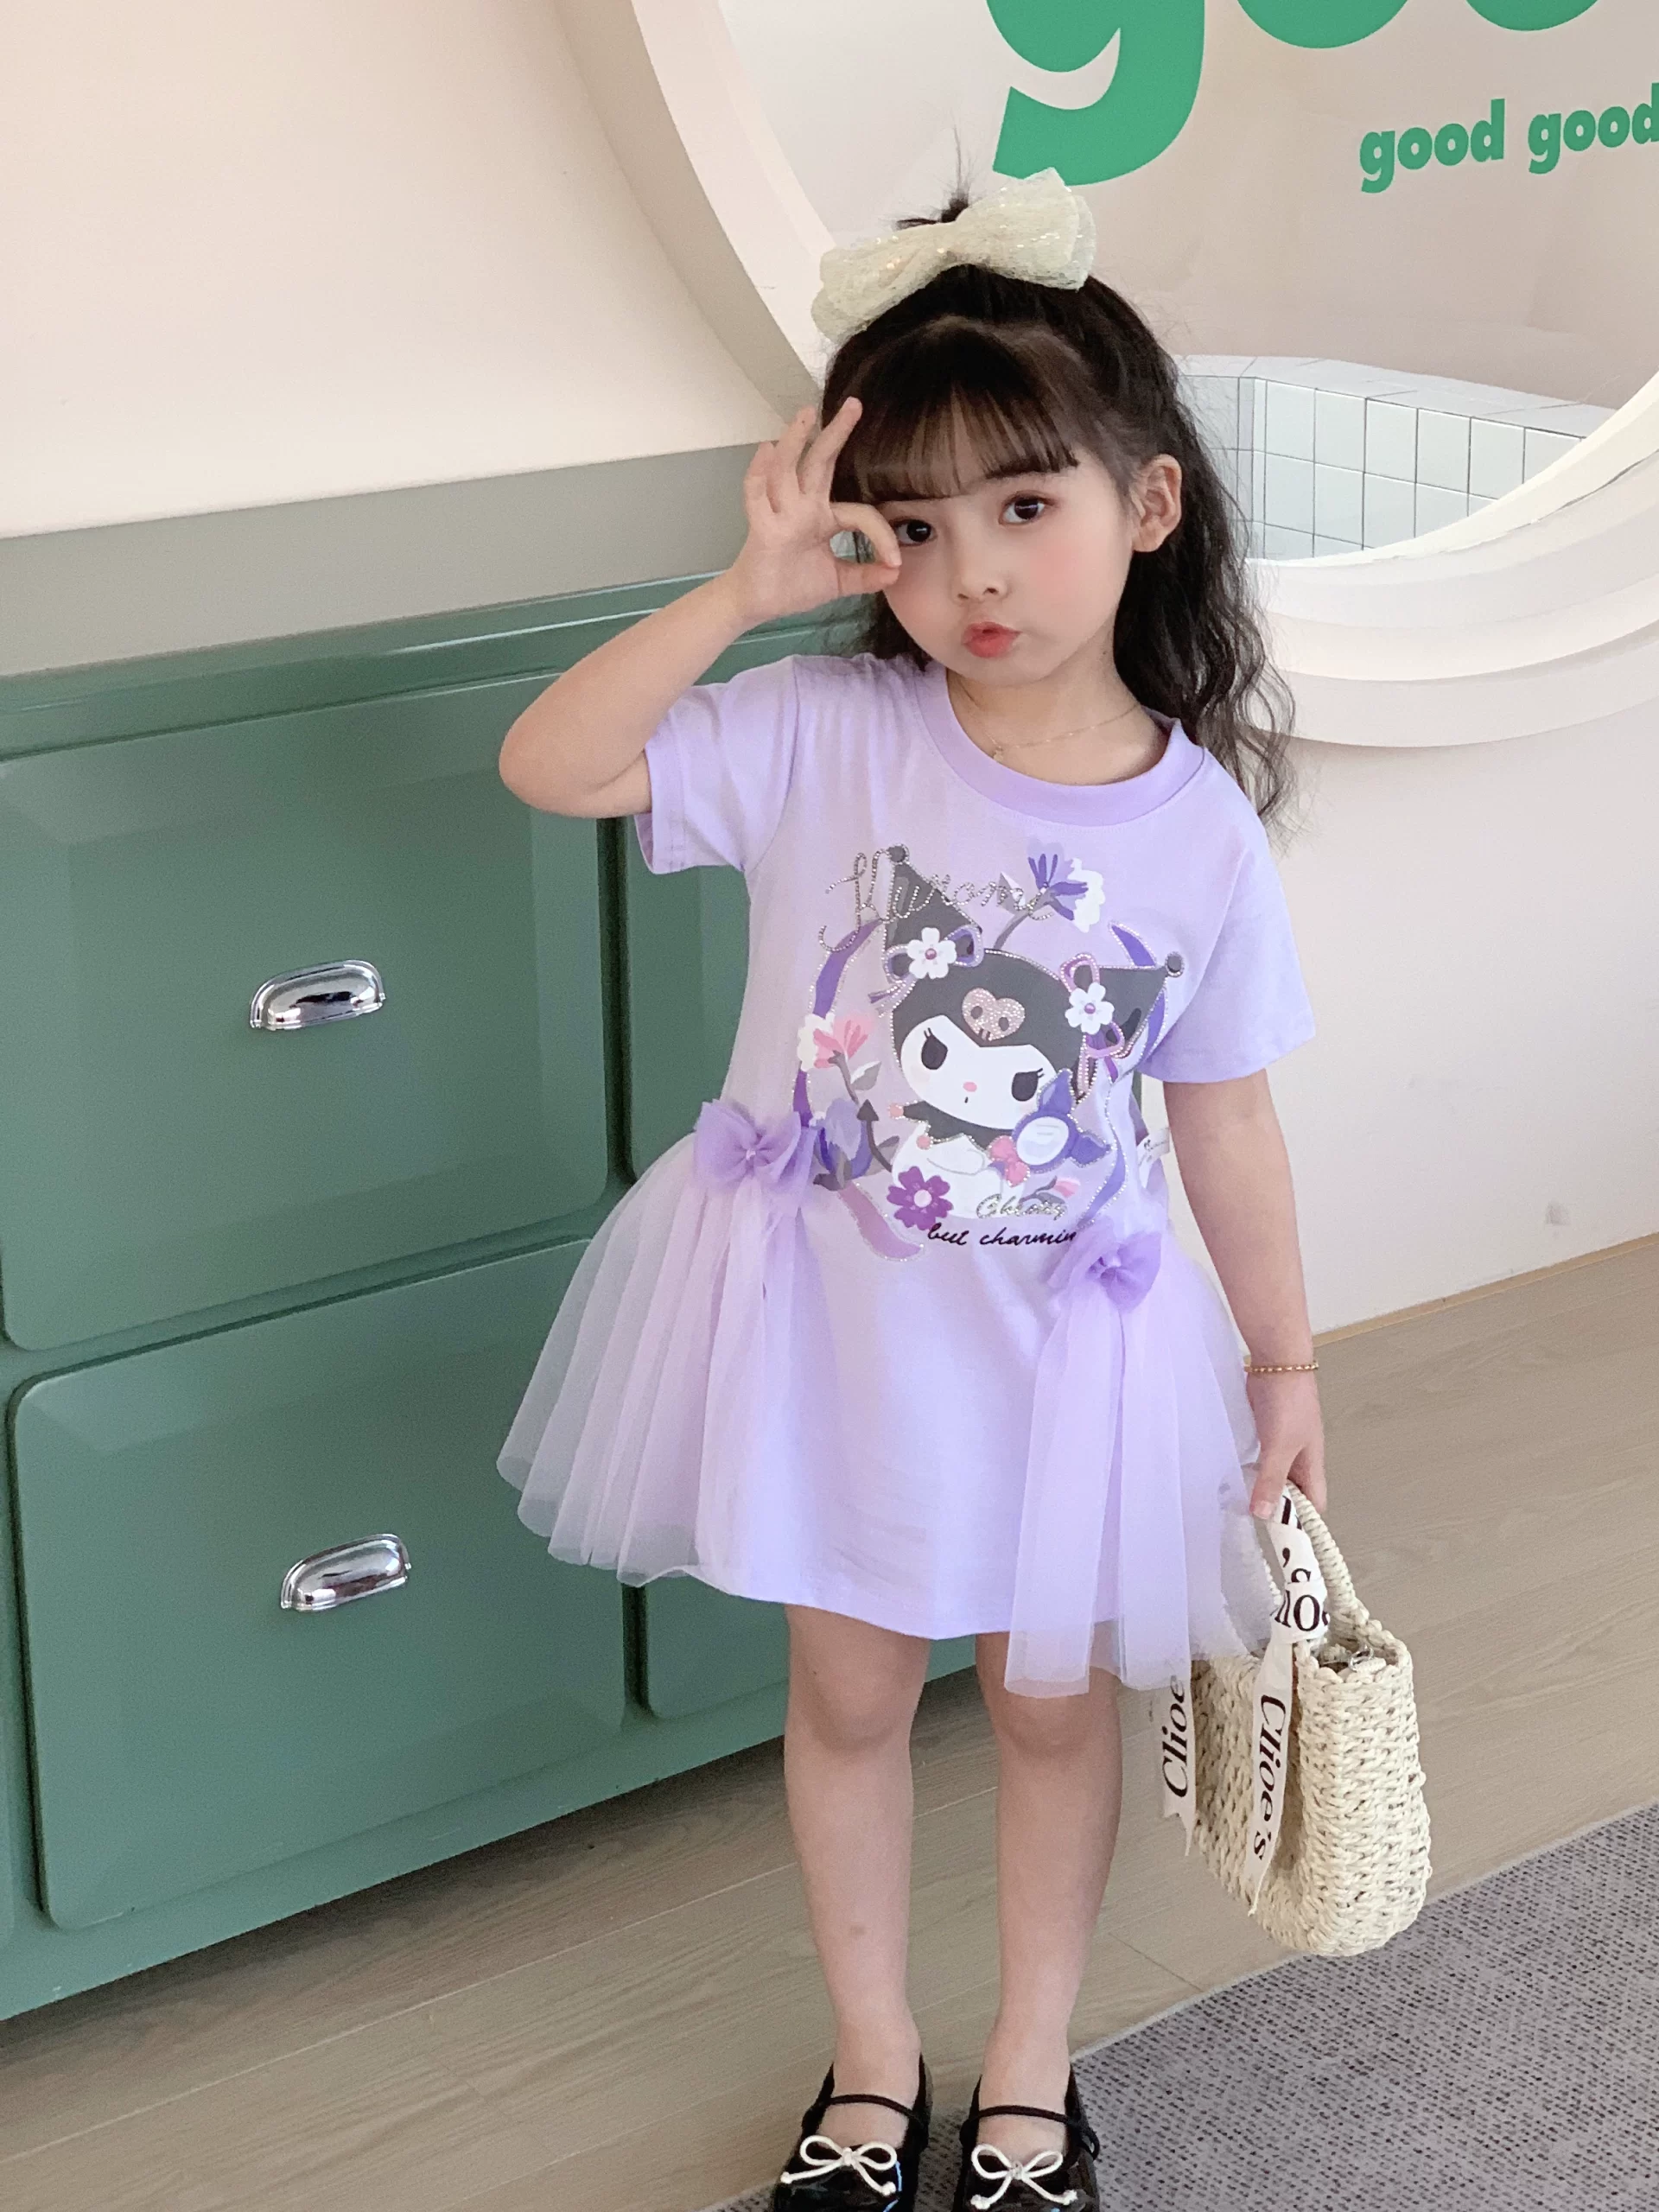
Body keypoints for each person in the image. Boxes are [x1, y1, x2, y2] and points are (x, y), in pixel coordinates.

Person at [495, 168, 1327, 2212]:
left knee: (1048, 1713)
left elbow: (1226, 1116)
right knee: (851, 1692)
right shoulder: (819, 729)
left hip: (1068, 1359)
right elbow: (556, 764)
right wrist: (743, 590)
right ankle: (875, 2056)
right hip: (835, 1337)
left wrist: (1288, 1361)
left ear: (1148, 503)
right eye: (917, 526)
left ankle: (1032, 2064)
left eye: (1026, 506)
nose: (975, 574)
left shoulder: (1199, 833)